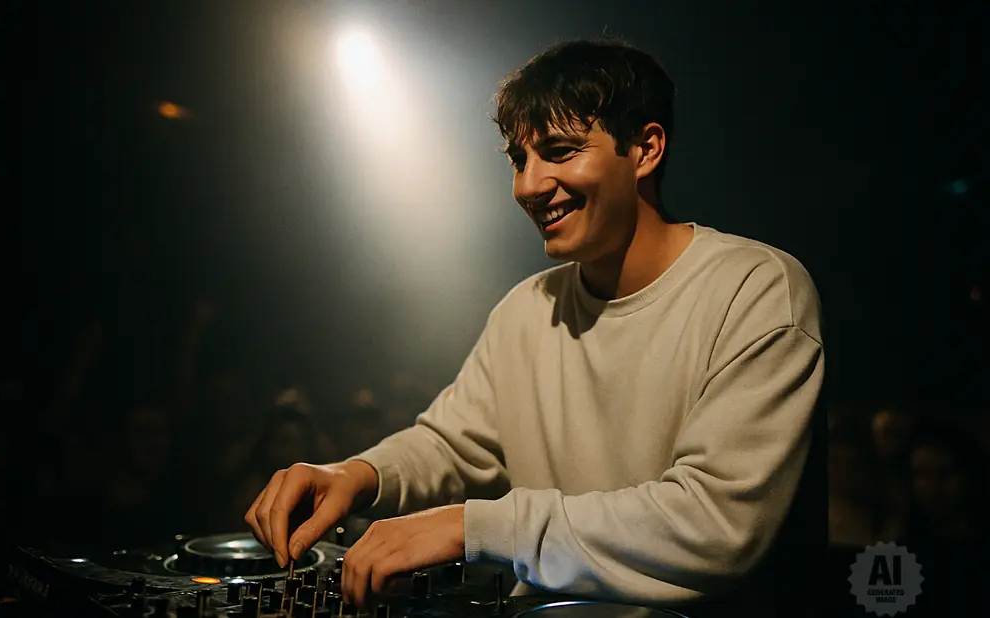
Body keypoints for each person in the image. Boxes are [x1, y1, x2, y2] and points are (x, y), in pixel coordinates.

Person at [245, 38, 825, 617]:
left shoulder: (756, 288)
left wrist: (477, 526)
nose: (527, 185)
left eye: (560, 151)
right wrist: (357, 474)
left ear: (645, 149)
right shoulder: (527, 308)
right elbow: (452, 444)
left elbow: (714, 524)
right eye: (519, 160)